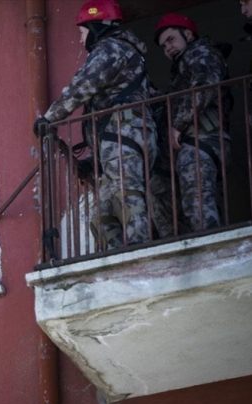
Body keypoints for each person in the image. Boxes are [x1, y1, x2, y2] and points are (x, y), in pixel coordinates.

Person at [33, 0, 158, 250]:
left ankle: (141, 252)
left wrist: (49, 118)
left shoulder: (111, 49)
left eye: (82, 32)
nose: (81, 39)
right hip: (119, 140)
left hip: (125, 136)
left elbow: (84, 85)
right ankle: (119, 254)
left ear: (96, 26)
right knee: (101, 213)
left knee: (129, 196)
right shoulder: (125, 53)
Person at [155, 13, 232, 231]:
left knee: (197, 202)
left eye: (171, 39)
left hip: (202, 140)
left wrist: (178, 125)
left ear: (188, 34)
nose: (168, 48)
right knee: (205, 201)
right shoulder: (187, 64)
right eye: (163, 46)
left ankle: (210, 252)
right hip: (204, 141)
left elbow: (204, 86)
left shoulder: (200, 53)